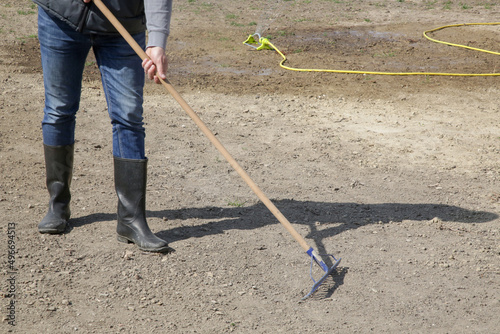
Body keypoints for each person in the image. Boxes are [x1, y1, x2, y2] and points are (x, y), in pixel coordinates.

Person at [33, 0, 173, 253]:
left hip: (124, 25)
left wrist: (157, 41)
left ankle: (131, 220)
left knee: (129, 115)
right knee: (59, 109)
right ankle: (58, 203)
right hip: (61, 17)